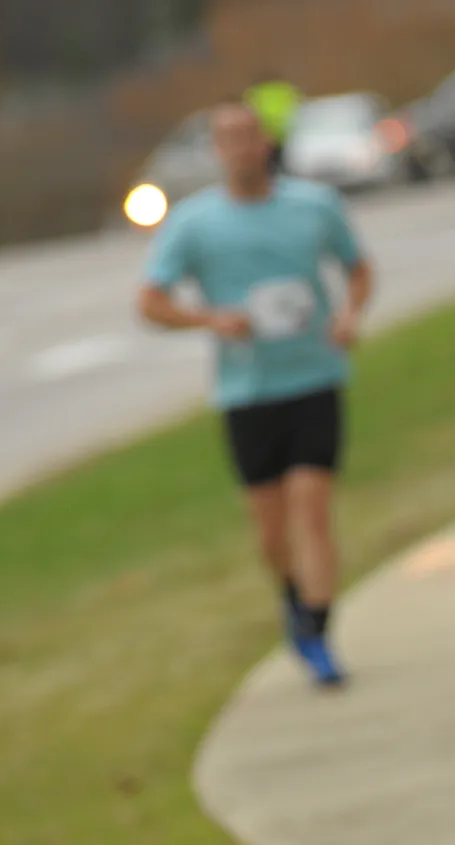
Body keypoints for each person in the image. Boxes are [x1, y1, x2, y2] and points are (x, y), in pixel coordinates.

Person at [138, 101, 372, 688]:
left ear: (266, 143)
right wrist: (211, 320)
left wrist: (347, 316)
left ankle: (318, 633)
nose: (241, 149)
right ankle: (293, 596)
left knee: (312, 509)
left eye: (249, 137)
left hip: (315, 378)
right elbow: (151, 302)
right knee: (272, 531)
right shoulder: (195, 224)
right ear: (216, 151)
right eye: (228, 140)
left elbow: (358, 268)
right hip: (247, 392)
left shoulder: (313, 205)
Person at [244, 73, 303, 174]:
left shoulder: (257, 91)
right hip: (280, 132)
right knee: (280, 159)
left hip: (265, 132)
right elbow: (297, 101)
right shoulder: (284, 89)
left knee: (267, 159)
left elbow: (249, 107)